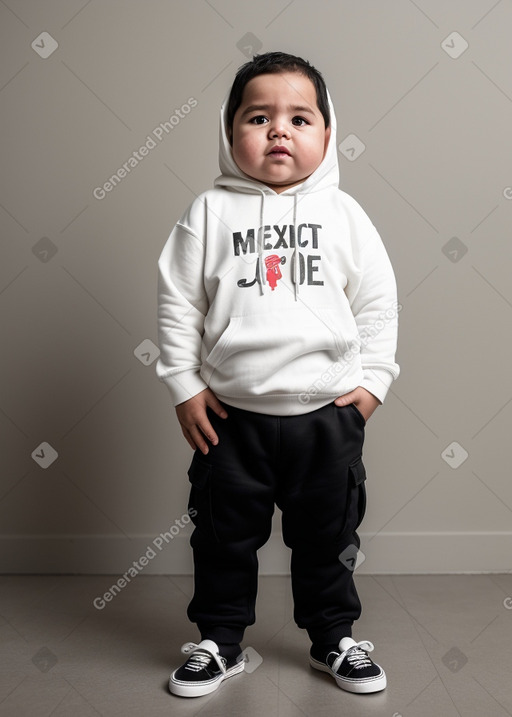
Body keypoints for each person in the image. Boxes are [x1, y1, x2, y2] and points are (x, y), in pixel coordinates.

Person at [156, 51, 400, 699]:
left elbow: (378, 304)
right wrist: (185, 385)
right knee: (222, 537)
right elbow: (178, 304)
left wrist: (371, 384)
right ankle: (218, 640)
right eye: (258, 117)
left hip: (327, 418)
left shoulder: (346, 216)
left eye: (300, 118)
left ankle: (333, 639)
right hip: (231, 422)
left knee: (328, 536)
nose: (279, 131)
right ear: (228, 131)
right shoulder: (209, 213)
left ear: (327, 131)